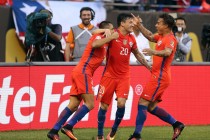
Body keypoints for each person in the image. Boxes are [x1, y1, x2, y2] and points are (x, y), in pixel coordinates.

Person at [47, 21, 119, 140]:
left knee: (74, 105)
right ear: (106, 30)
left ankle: (54, 131)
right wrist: (108, 35)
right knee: (90, 104)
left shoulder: (103, 39)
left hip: (79, 71)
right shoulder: (99, 37)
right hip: (84, 72)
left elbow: (96, 34)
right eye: (111, 29)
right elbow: (95, 43)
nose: (113, 31)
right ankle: (69, 126)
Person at [128, 13, 185, 140]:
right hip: (158, 76)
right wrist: (139, 25)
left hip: (160, 77)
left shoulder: (170, 39)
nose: (156, 25)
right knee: (150, 107)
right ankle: (177, 124)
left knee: (142, 102)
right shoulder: (160, 36)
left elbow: (167, 52)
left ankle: (136, 136)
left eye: (159, 23)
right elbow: (149, 35)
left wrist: (153, 52)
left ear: (166, 26)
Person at [96, 13, 151, 140]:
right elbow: (98, 42)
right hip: (109, 76)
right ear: (122, 23)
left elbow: (137, 53)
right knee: (104, 106)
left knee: (121, 103)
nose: (133, 25)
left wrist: (148, 66)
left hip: (124, 76)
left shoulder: (132, 38)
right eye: (130, 22)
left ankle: (114, 129)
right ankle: (100, 135)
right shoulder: (112, 34)